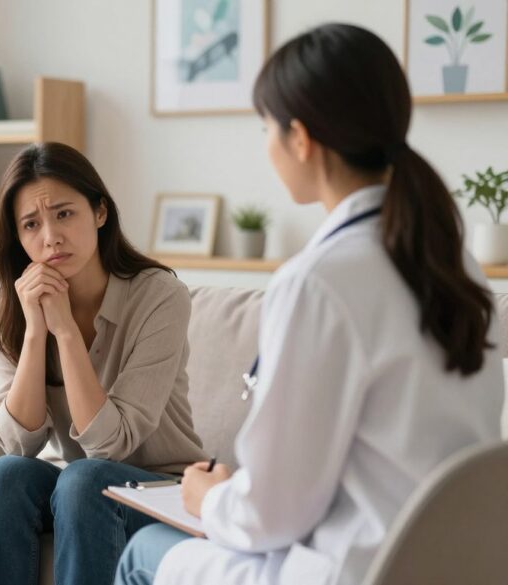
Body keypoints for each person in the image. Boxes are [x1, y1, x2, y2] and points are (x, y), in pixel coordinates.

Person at [115, 23, 505, 585]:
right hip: (449, 565)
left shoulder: (319, 282)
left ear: (300, 138)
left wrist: (209, 497)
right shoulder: (453, 262)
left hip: (351, 570)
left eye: (267, 127)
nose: (268, 145)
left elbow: (273, 514)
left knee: (145, 550)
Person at [0, 141, 206, 585]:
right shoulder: (7, 304)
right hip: (78, 486)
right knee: (6, 476)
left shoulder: (159, 297)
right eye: (31, 224)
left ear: (100, 212)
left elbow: (108, 445)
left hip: (159, 490)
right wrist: (36, 330)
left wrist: (65, 332)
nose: (50, 237)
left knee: (85, 478)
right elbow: (17, 444)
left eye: (64, 214)